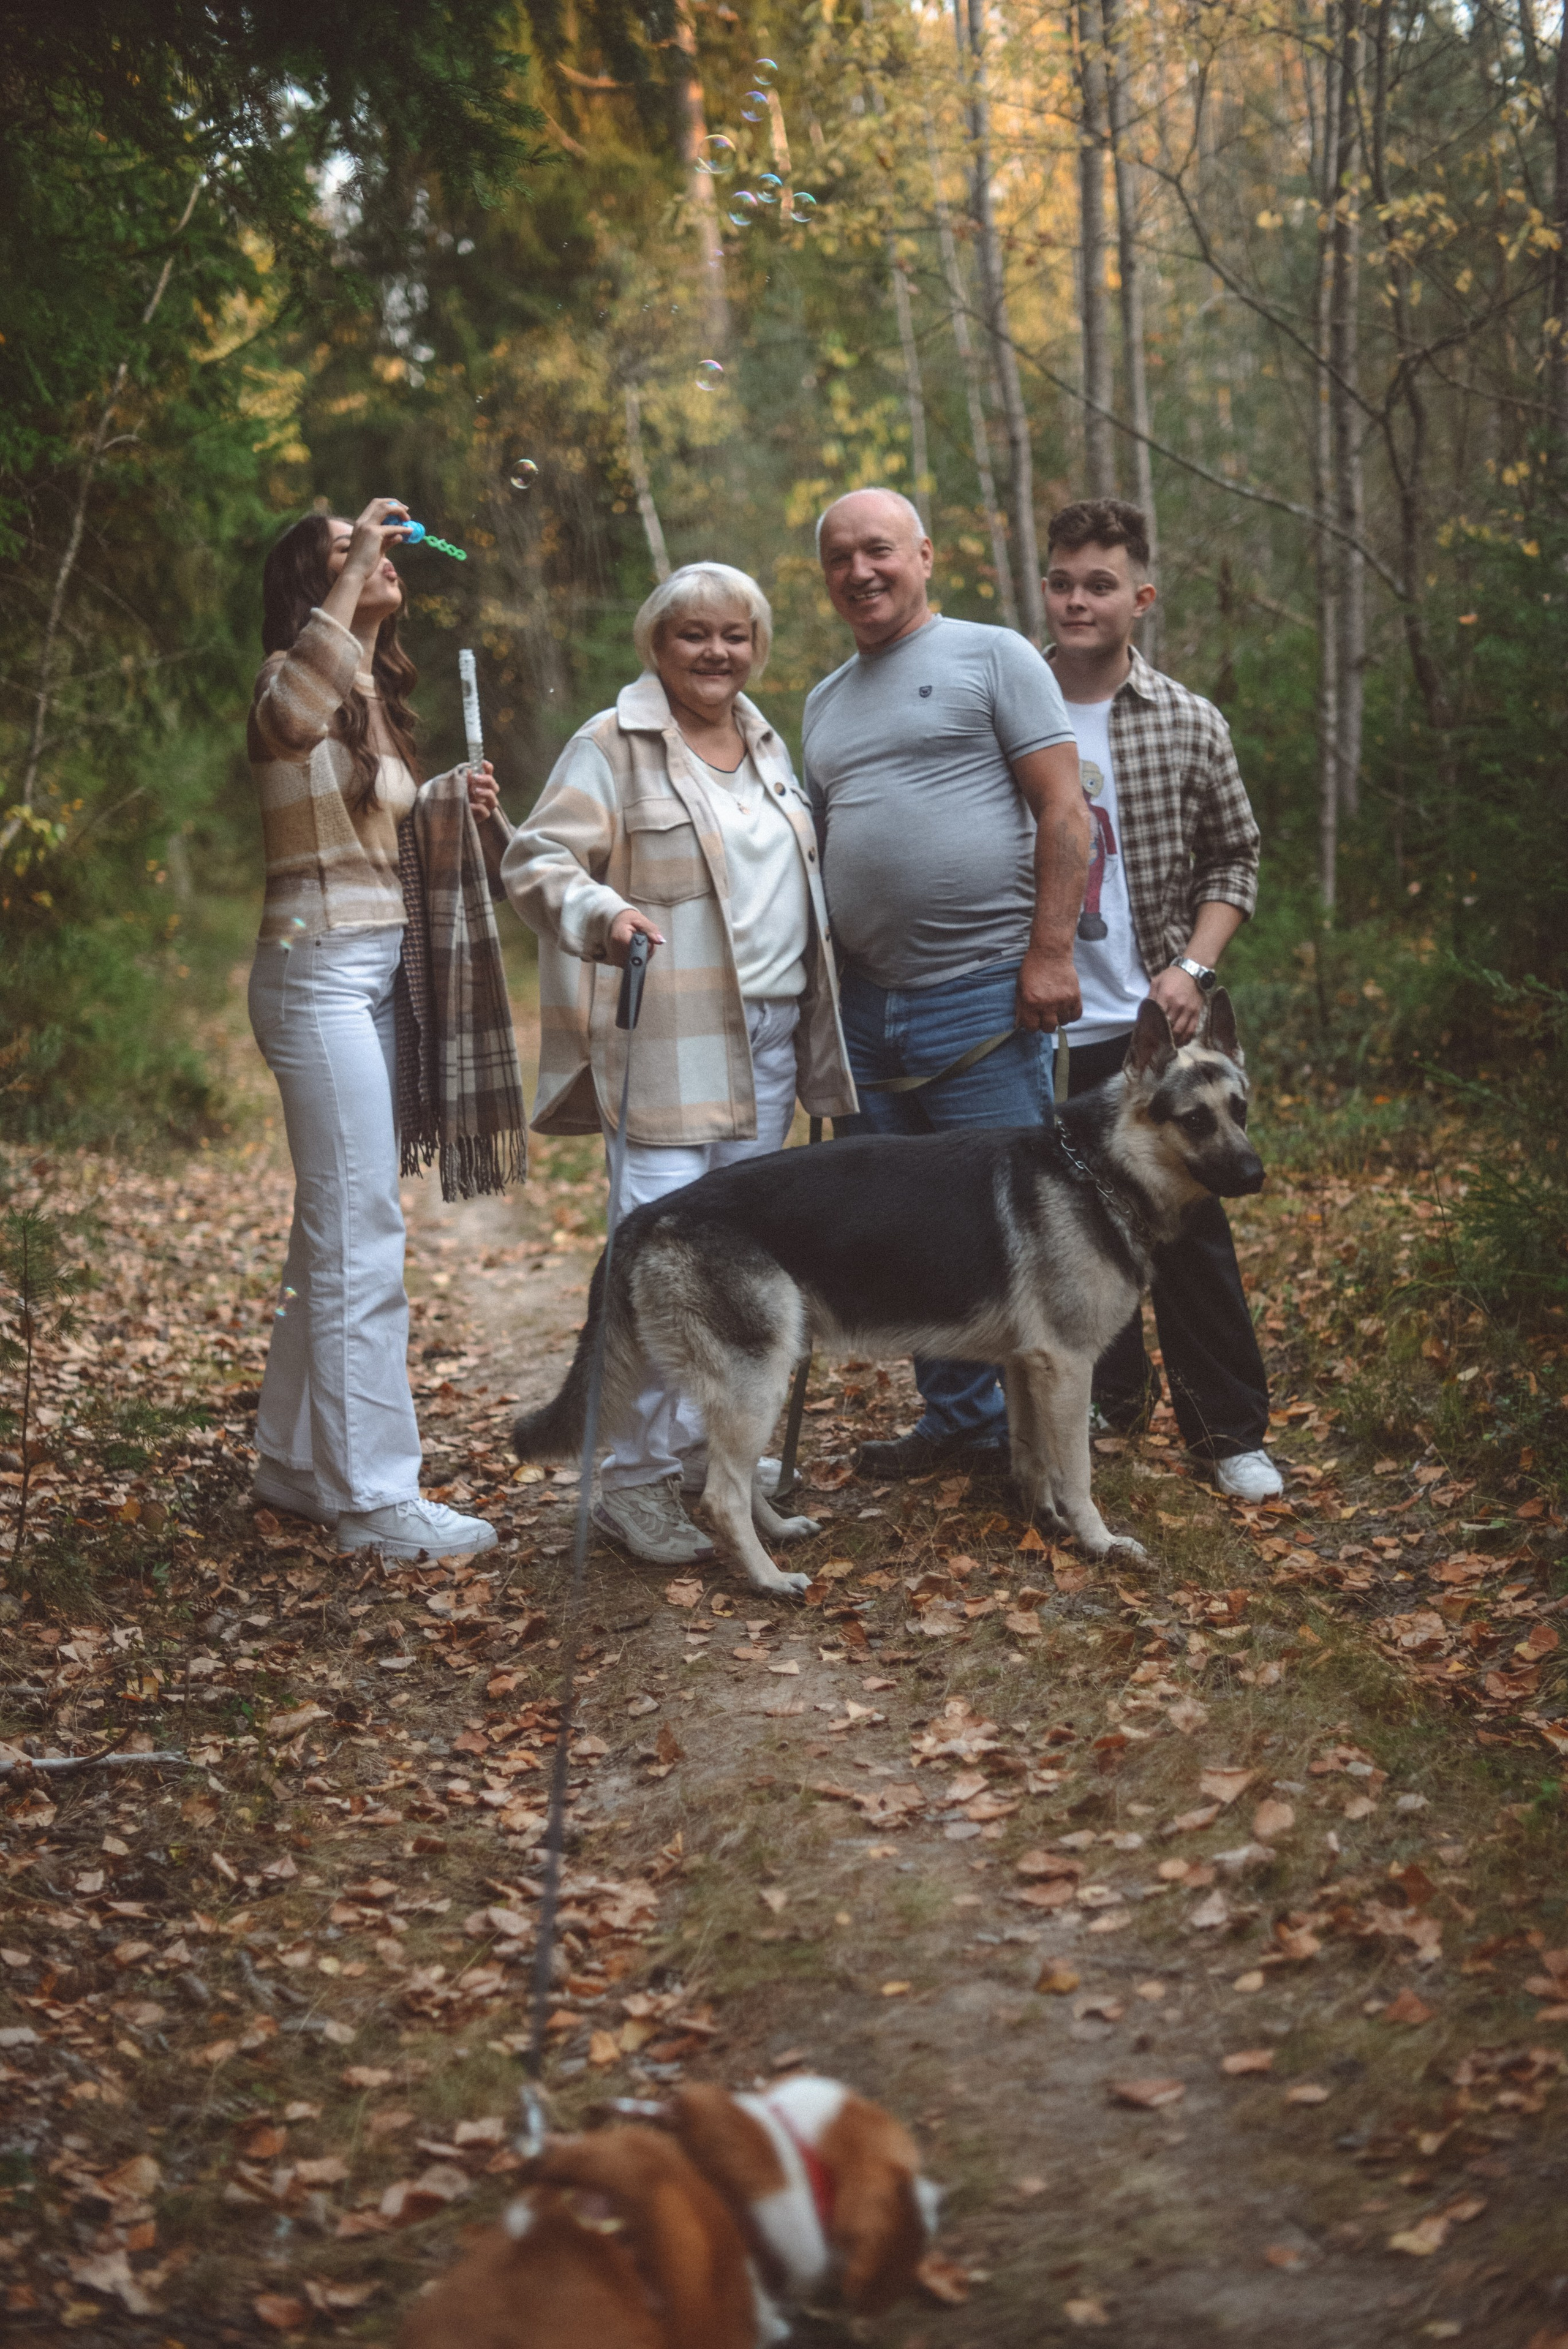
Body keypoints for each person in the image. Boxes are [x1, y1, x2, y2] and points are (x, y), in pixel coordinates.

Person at [502, 561, 858, 1566]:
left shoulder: (766, 741)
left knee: (740, 1267)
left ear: (758, 646)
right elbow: (534, 859)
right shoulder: (612, 742)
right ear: (657, 645)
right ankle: (631, 1484)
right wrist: (601, 912)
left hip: (774, 1040)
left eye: (736, 635)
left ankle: (716, 1464)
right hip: (665, 1038)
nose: (717, 652)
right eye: (694, 635)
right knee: (659, 1267)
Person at [802, 488, 1090, 1480]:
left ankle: (1041, 1446)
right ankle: (957, 1424)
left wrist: (1050, 954)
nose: (860, 572)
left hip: (984, 994)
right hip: (867, 1010)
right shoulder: (824, 700)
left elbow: (1065, 809)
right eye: (839, 559)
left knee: (1016, 1225)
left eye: (878, 550)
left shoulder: (993, 655)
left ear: (925, 554)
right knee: (903, 1230)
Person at [248, 497, 513, 1557]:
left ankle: (293, 1462)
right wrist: (353, 568)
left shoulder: (367, 690)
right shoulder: (288, 675)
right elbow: (291, 725)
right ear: (316, 583)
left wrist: (444, 796)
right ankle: (373, 1500)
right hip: (313, 974)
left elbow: (364, 824)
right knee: (363, 1235)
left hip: (366, 968)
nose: (374, 559)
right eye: (343, 552)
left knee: (335, 1226)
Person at [1042, 496, 1281, 1502]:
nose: (1077, 600)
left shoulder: (1188, 719)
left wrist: (1194, 967)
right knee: (1067, 1225)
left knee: (1189, 1233)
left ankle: (1229, 1432)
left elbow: (1236, 857)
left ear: (1141, 597)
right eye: (1061, 581)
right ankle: (1110, 1398)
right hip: (1041, 1027)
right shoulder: (1010, 705)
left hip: (1153, 1030)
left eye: (1101, 584)